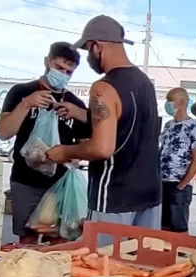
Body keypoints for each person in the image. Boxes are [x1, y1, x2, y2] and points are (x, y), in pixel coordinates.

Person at [46, 15, 161, 229]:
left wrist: (64, 151)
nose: (89, 58)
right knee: (143, 260)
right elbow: (128, 123)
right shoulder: (144, 82)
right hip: (150, 194)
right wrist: (82, 114)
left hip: (114, 194)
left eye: (88, 50)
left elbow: (101, 148)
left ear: (97, 47)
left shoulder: (103, 87)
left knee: (101, 260)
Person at [0, 42, 90, 244]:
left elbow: (85, 146)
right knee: (27, 240)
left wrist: (69, 155)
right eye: (59, 68)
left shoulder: (76, 105)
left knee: (59, 238)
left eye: (69, 71)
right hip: (25, 180)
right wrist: (26, 104)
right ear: (47, 61)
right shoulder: (21, 92)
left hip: (61, 184)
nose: (63, 74)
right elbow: (4, 133)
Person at [159, 87, 196, 232]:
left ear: (182, 102)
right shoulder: (168, 125)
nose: (167, 104)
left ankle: (179, 254)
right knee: (162, 226)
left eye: (170, 100)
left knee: (178, 228)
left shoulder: (194, 127)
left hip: (178, 185)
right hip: (161, 182)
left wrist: (182, 185)